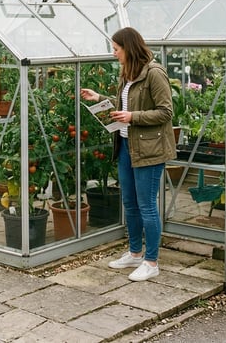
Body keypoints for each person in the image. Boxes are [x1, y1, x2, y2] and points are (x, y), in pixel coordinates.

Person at [80, 27, 176, 282]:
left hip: (149, 150)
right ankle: (135, 253)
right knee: (130, 205)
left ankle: (151, 261)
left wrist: (133, 118)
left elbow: (166, 112)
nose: (114, 54)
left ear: (129, 48)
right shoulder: (129, 74)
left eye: (116, 49)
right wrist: (99, 97)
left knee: (147, 206)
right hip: (126, 147)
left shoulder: (154, 74)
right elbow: (126, 104)